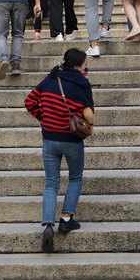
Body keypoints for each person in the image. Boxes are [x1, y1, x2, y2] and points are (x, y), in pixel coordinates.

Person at [25, 47, 94, 252]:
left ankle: (47, 223)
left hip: (49, 139)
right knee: (75, 178)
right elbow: (90, 113)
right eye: (85, 64)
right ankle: (66, 218)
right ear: (77, 65)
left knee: (51, 183)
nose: (86, 66)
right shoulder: (82, 83)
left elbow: (29, 102)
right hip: (72, 139)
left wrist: (43, 118)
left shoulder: (50, 79)